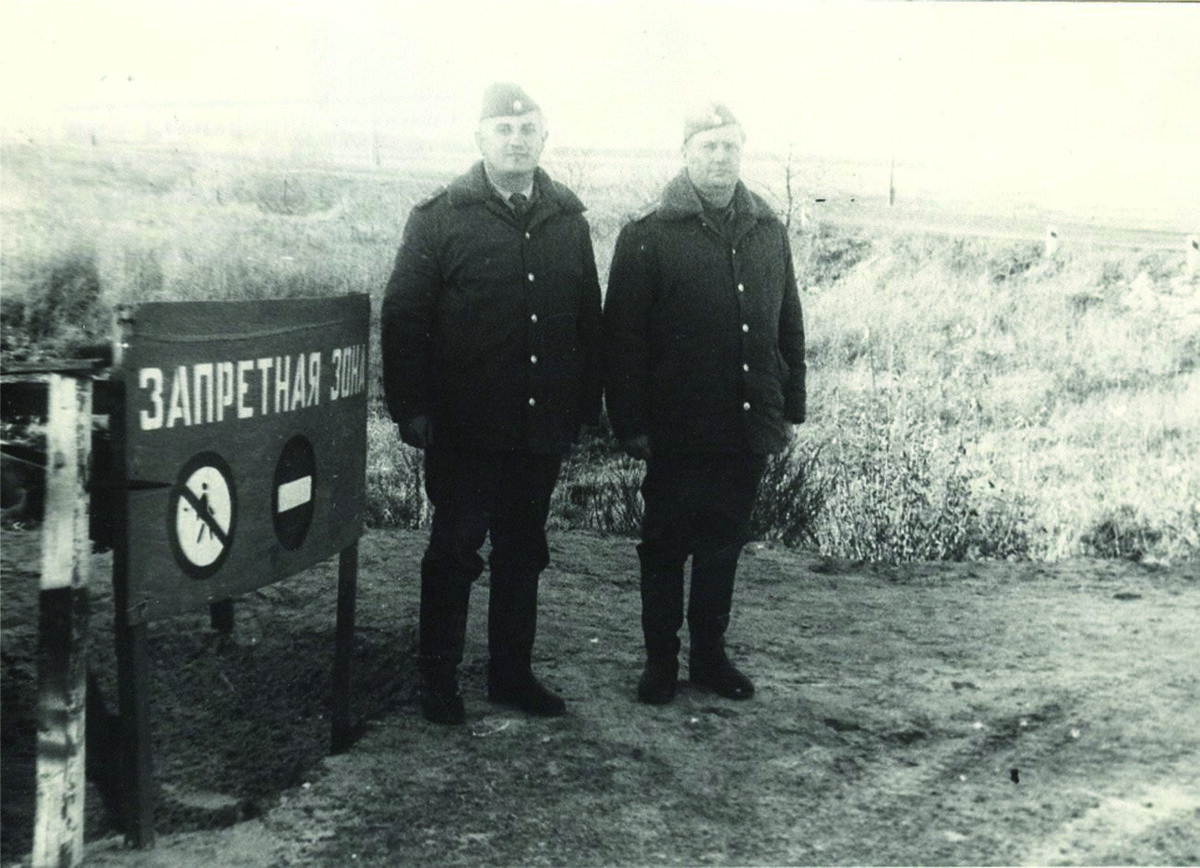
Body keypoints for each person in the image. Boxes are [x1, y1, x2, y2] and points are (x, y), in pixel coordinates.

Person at [381, 83, 603, 724]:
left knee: (523, 550)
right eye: (503, 131)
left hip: (540, 427)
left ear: (543, 138)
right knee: (454, 551)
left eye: (527, 129)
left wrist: (585, 403)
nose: (516, 140)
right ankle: (439, 677)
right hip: (465, 426)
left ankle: (511, 673)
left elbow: (587, 314)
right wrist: (411, 406)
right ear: (481, 140)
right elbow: (404, 315)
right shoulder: (440, 217)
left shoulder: (567, 219)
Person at [603, 101, 806, 705]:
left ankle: (710, 658)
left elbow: (786, 322)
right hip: (677, 429)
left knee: (724, 543)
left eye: (729, 148)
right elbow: (623, 338)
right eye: (707, 148)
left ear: (741, 154)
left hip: (745, 425)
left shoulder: (768, 230)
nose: (719, 159)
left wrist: (790, 406)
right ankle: (660, 661)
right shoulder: (647, 235)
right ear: (686, 155)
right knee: (665, 545)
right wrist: (632, 422)